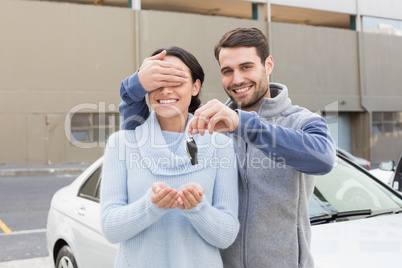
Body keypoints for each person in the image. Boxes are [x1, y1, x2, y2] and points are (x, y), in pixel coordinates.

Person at [119, 28, 336, 268]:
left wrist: (241, 124)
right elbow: (135, 132)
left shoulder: (301, 121)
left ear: (268, 64)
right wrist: (136, 84)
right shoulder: (204, 125)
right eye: (227, 71)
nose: (237, 79)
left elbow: (323, 159)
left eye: (246, 67)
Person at [101, 46, 239, 268]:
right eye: (158, 82)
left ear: (195, 87)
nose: (165, 91)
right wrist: (150, 207)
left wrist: (198, 209)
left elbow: (226, 235)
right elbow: (110, 228)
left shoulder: (220, 145)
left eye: (176, 81)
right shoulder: (121, 144)